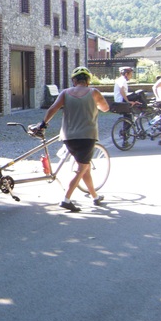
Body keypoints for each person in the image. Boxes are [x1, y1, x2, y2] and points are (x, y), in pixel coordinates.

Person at [31, 66, 109, 212]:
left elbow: (52, 109)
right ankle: (66, 199)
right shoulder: (94, 92)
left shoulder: (65, 93)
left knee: (84, 167)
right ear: (87, 80)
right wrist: (94, 104)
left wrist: (43, 124)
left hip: (68, 137)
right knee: (82, 168)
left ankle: (95, 197)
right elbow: (105, 108)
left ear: (74, 80)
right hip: (87, 136)